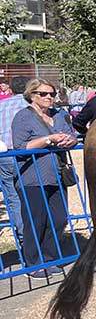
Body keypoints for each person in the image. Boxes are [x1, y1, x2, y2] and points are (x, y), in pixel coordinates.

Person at [11, 78, 78, 279]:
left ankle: (50, 258)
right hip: (32, 177)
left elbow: (71, 136)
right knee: (35, 221)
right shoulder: (23, 117)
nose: (49, 97)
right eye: (43, 94)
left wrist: (70, 140)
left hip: (56, 175)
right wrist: (49, 139)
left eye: (52, 94)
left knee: (58, 219)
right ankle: (33, 263)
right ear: (32, 95)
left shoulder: (59, 115)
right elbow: (21, 147)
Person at [0, 76, 30, 245]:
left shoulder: (2, 105)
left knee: (13, 197)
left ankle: (23, 237)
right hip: (28, 153)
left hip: (5, 155)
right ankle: (38, 239)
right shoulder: (31, 107)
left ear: (10, 89)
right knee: (36, 195)